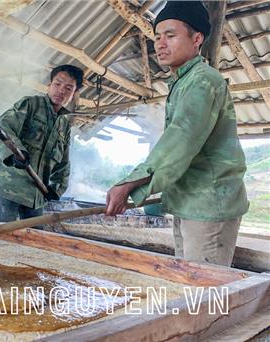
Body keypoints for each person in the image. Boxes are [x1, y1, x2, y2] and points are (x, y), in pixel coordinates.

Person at [105, 1, 249, 267]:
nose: (160, 43)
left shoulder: (203, 81)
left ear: (197, 39)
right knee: (187, 284)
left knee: (203, 293)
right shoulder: (183, 82)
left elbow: (181, 139)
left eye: (170, 35)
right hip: (190, 202)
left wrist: (130, 183)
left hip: (208, 206)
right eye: (157, 37)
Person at [0, 64, 83, 222]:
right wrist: (15, 152)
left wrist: (56, 189)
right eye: (57, 84)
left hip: (37, 197)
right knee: (4, 239)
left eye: (68, 88)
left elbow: (63, 163)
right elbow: (2, 126)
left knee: (34, 239)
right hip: (11, 189)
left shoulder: (64, 126)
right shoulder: (30, 105)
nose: (61, 90)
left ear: (74, 93)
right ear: (49, 85)